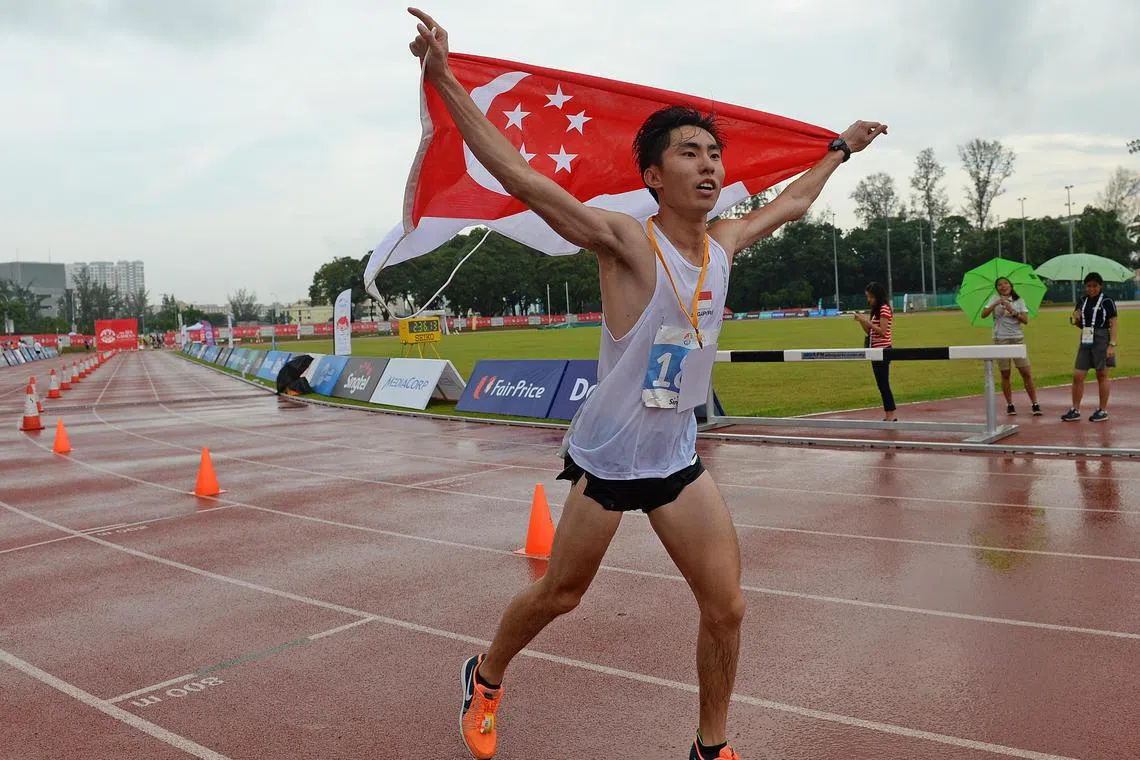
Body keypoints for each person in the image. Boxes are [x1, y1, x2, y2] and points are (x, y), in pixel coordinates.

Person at [405, 9, 886, 759]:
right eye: (690, 153)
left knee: (726, 607)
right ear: (654, 176)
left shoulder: (724, 241)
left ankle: (710, 746)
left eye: (715, 155)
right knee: (561, 595)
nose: (710, 166)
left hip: (675, 459)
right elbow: (526, 180)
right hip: (608, 458)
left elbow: (792, 202)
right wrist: (444, 80)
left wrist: (837, 150)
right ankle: (487, 673)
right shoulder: (628, 241)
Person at [979, 276, 1041, 416]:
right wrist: (996, 304)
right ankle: (1010, 404)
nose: (1003, 286)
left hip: (1017, 339)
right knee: (1005, 373)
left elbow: (1025, 320)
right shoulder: (994, 299)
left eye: (1005, 283)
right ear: (997, 288)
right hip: (1000, 340)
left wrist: (1012, 310)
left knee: (1026, 373)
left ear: (1011, 285)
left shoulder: (1019, 300)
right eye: (1000, 285)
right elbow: (983, 315)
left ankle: (1035, 403)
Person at [1062, 272, 1118, 422]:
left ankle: (1103, 410)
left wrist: (1112, 344)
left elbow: (1113, 323)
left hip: (1101, 337)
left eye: (1095, 286)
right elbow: (1081, 325)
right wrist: (1077, 319)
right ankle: (1075, 409)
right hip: (1086, 337)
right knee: (1078, 375)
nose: (1091, 288)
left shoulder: (1107, 300)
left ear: (1101, 286)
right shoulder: (1082, 300)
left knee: (1102, 375)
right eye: (1089, 286)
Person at [853, 282, 896, 421]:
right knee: (881, 383)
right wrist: (861, 321)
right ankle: (889, 413)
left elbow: (883, 332)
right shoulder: (876, 310)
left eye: (870, 297)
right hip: (875, 350)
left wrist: (868, 321)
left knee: (883, 383)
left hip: (883, 350)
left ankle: (890, 414)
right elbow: (869, 332)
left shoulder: (884, 309)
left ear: (877, 296)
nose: (868, 300)